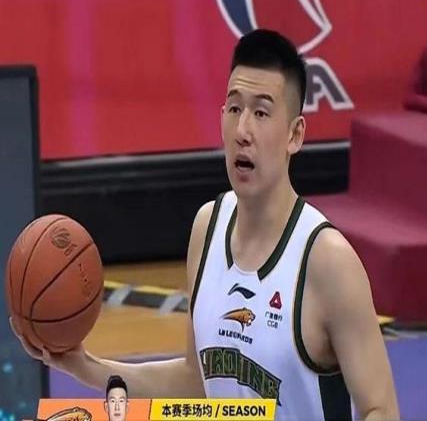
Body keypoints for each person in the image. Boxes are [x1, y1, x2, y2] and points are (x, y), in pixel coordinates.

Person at [10, 29, 399, 420]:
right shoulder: (207, 228)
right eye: (234, 109)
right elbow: (196, 382)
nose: (243, 131)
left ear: (295, 135)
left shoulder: (327, 261)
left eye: (261, 113)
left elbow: (380, 409)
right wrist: (85, 366)